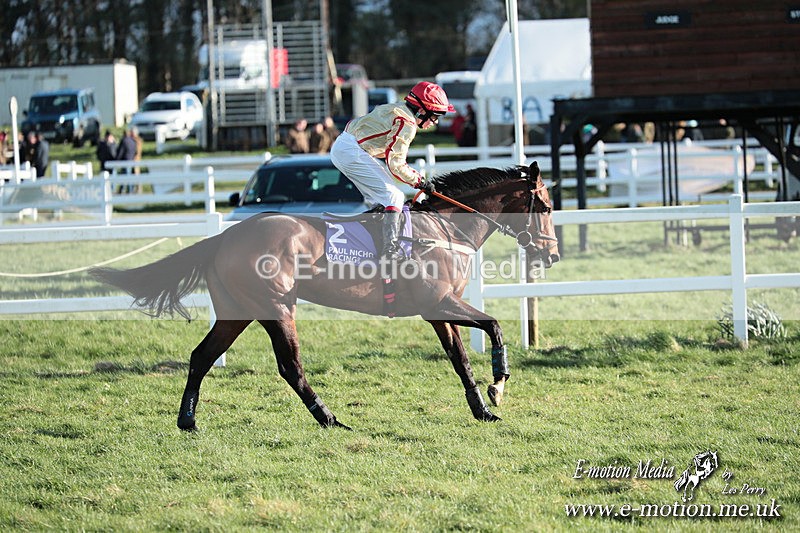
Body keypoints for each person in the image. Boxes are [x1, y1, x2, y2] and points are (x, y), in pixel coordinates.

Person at [330, 80, 453, 261]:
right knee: (394, 196)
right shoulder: (407, 123)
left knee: (381, 200)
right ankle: (390, 252)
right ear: (421, 111)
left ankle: (369, 245)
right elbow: (396, 165)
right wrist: (420, 181)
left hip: (348, 146)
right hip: (351, 151)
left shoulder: (398, 108)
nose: (434, 122)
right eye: (434, 116)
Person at [116, 127, 138, 193]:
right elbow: (135, 151)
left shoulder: (124, 141)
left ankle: (122, 190)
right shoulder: (133, 141)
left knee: (124, 176)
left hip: (125, 161)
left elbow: (121, 152)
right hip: (131, 160)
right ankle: (130, 190)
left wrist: (117, 160)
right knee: (130, 176)